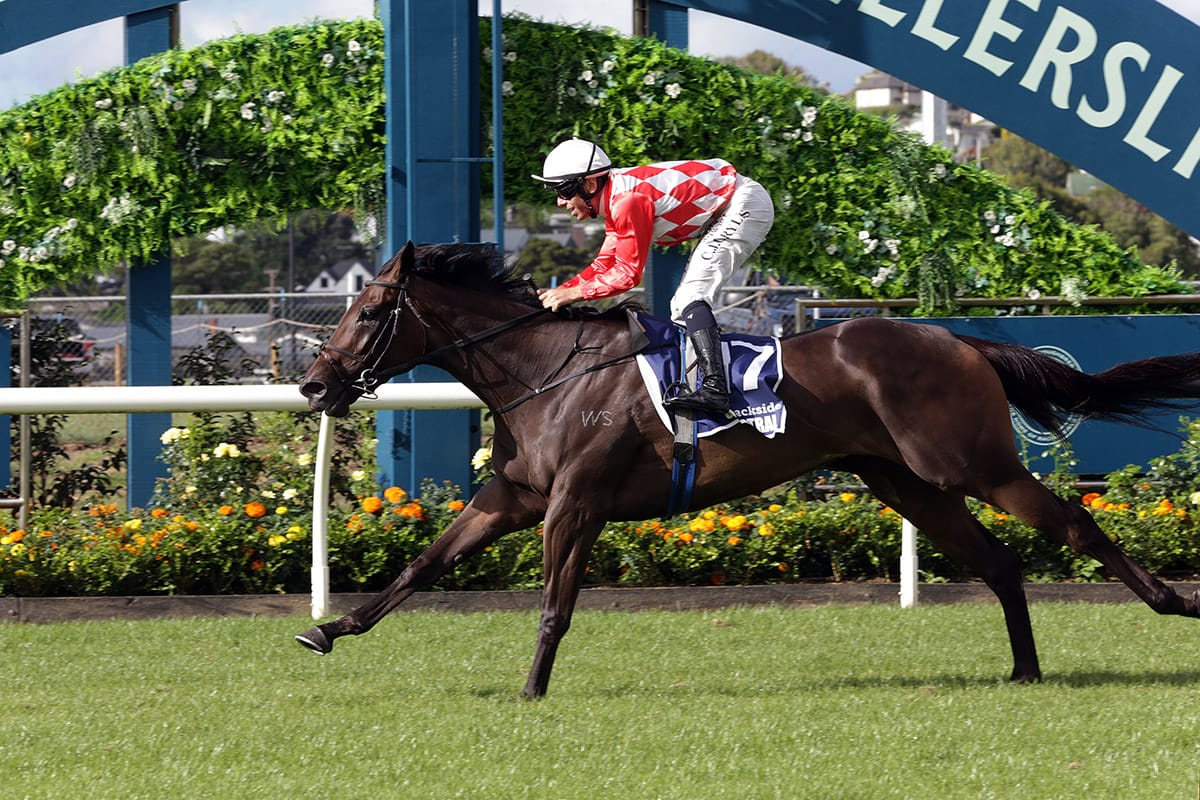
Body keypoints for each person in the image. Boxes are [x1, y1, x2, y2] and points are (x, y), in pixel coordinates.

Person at [533, 137, 775, 415]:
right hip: (729, 206)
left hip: (743, 204)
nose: (560, 201)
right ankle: (699, 383)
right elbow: (604, 264)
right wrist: (558, 292)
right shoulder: (615, 197)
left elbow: (626, 276)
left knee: (690, 298)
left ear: (589, 184)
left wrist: (571, 294)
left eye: (564, 191)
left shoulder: (627, 200)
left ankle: (716, 390)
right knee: (680, 307)